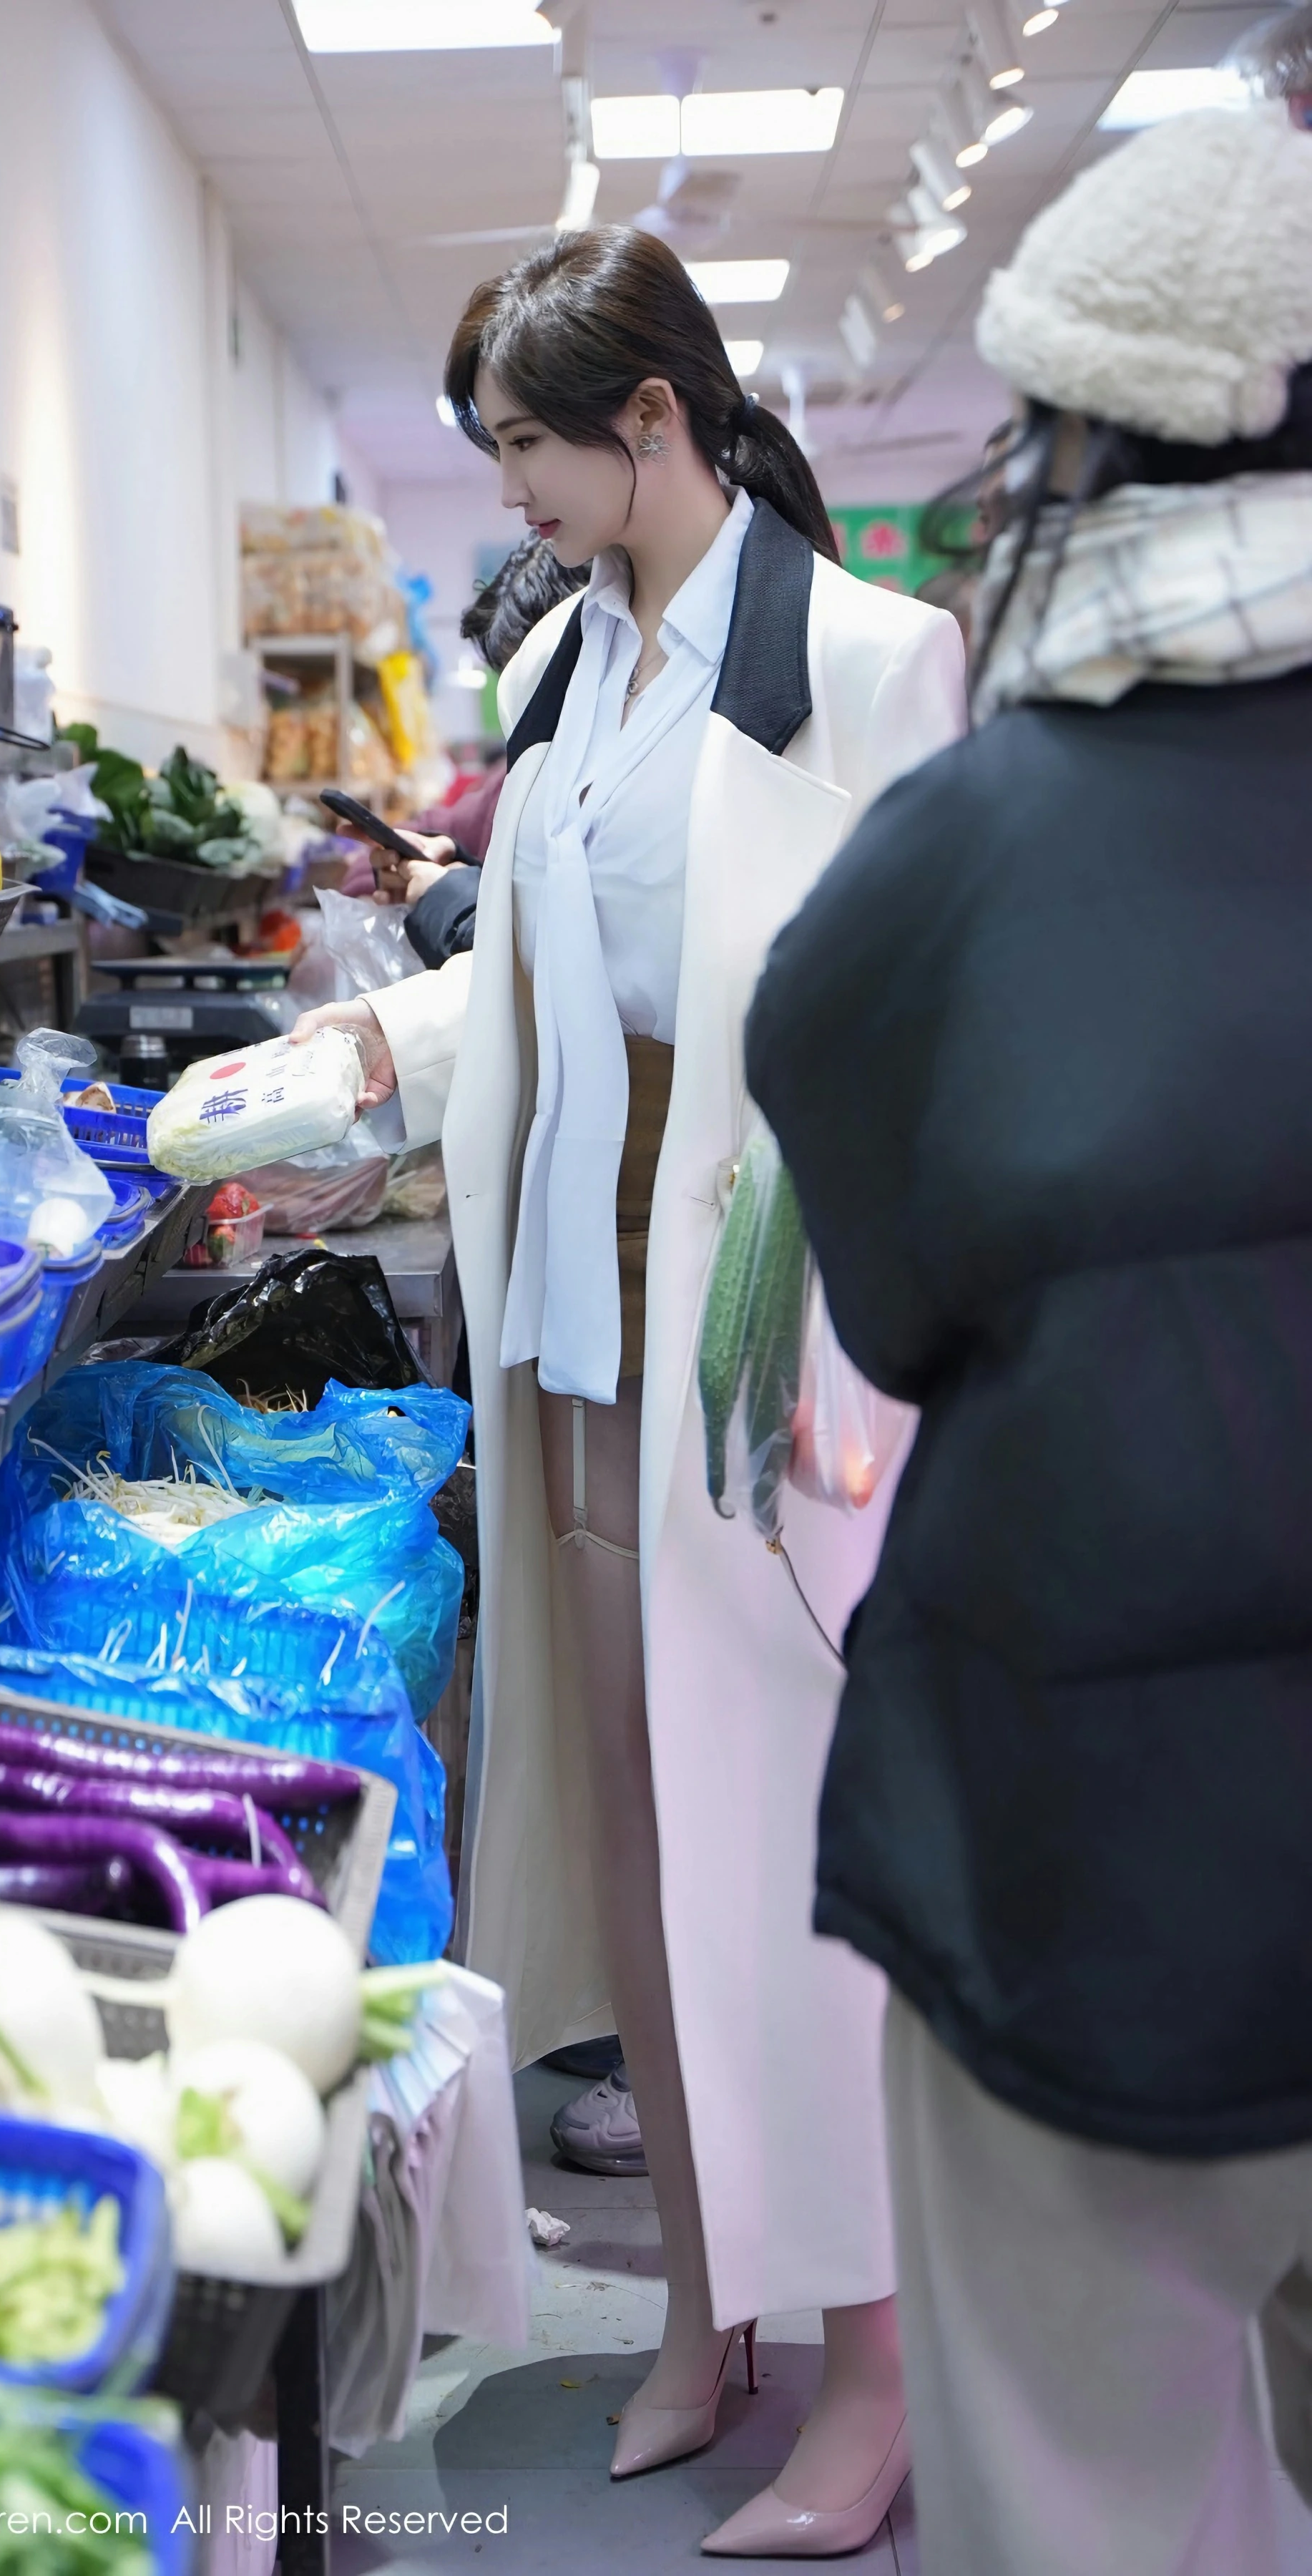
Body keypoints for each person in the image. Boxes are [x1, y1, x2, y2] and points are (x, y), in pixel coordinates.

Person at [294, 223, 965, 2556]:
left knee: (799, 1878)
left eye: (528, 448)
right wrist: (363, 1057)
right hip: (577, 1327)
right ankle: (706, 2304)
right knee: (643, 1854)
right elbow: (546, 970)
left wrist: (845, 1339)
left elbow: (924, 1031)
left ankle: (877, 2366)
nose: (511, 495)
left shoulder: (868, 660)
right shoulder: (573, 663)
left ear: (653, 419)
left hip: (768, 1356)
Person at [745, 100, 1312, 2575]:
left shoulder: (969, 859)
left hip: (1081, 1860)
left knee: (1085, 2500)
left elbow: (879, 1299)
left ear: (1078, 441)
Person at [369, 537, 589, 970]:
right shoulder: (517, 783)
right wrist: (454, 864)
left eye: (532, 682)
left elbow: (554, 954)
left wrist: (447, 893)